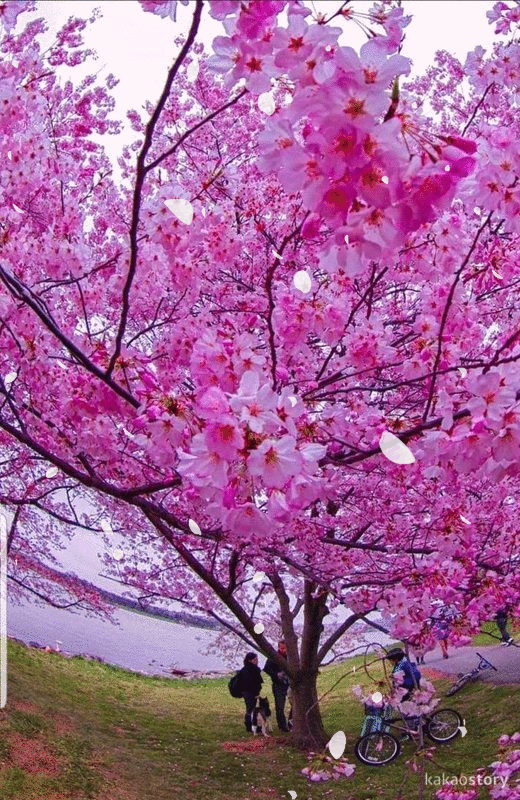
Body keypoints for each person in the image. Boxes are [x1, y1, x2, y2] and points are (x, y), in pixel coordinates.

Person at [264, 640, 291, 732]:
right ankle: (282, 726)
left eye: (285, 648)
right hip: (278, 684)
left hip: (291, 684)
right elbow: (266, 668)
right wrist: (276, 674)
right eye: (282, 648)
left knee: (296, 704)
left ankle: (291, 722)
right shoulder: (274, 656)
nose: (284, 650)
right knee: (280, 706)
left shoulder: (291, 655)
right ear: (279, 647)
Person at [238, 652, 263, 733]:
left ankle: (251, 726)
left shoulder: (245, 669)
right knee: (251, 709)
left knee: (250, 709)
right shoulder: (252, 669)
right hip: (250, 692)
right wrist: (256, 693)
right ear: (250, 660)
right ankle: (251, 726)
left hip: (246, 692)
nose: (257, 661)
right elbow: (253, 683)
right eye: (255, 660)